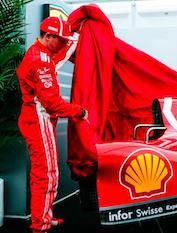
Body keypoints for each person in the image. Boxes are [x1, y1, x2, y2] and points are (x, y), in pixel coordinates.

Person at [16, 17, 88, 233]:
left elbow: (60, 56)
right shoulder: (41, 60)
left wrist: (75, 37)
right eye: (62, 40)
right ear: (49, 36)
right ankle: (40, 225)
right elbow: (52, 104)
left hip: (38, 118)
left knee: (49, 171)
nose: (65, 44)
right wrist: (79, 111)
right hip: (39, 119)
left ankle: (44, 217)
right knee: (45, 173)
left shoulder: (41, 52)